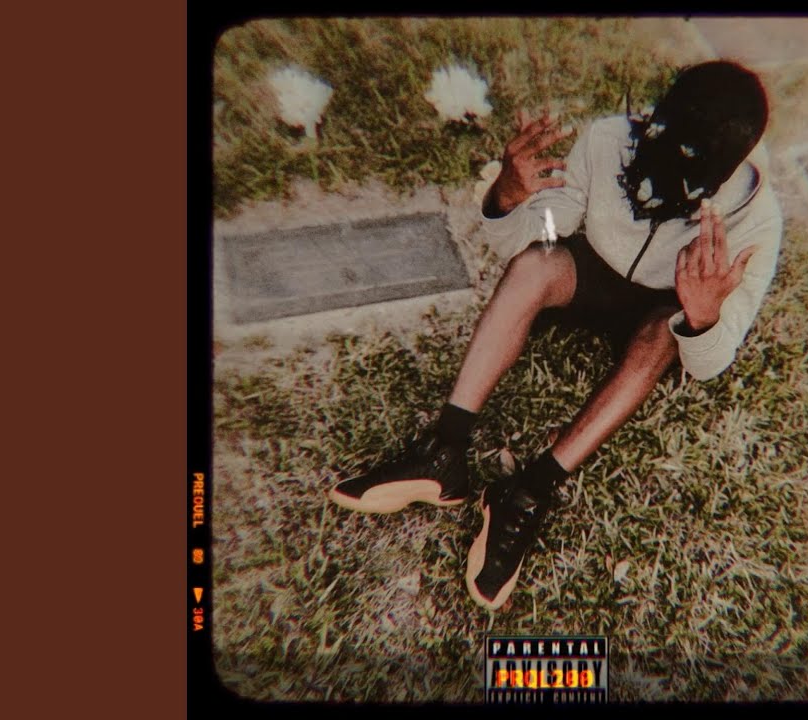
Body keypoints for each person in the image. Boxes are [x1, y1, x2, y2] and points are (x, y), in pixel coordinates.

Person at [329, 61, 783, 611]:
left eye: (688, 176)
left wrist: (703, 315)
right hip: (592, 279)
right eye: (659, 142)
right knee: (535, 265)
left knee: (663, 334)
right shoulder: (609, 139)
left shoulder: (757, 220)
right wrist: (508, 198)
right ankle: (444, 449)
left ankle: (529, 490)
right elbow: (543, 233)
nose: (663, 174)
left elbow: (710, 363)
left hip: (659, 313)